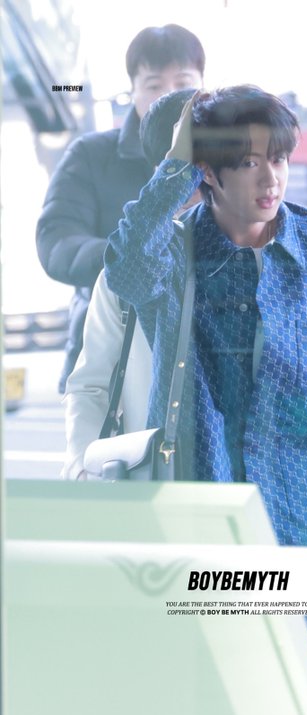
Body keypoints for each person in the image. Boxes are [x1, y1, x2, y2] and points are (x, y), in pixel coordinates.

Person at [103, 85, 307, 694]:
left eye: (278, 158)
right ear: (209, 173)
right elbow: (125, 267)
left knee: (303, 695)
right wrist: (176, 165)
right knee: (213, 695)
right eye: (249, 162)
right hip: (206, 530)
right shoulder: (172, 255)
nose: (270, 177)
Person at [36, 25, 205, 392]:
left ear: (203, 87)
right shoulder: (91, 154)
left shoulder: (225, 156)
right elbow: (57, 241)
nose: (170, 95)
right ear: (133, 90)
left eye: (183, 82)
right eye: (154, 85)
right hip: (106, 355)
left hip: (200, 359)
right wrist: (129, 260)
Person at [62, 89, 199, 480]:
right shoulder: (127, 271)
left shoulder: (266, 260)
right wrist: (82, 469)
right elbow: (90, 385)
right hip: (154, 480)